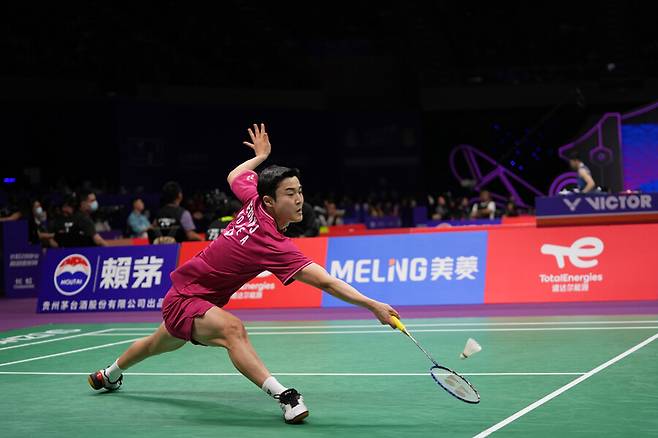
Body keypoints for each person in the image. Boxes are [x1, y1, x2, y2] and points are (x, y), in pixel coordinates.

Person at [88, 123, 400, 424]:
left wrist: (261, 157)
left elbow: (235, 174)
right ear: (270, 200)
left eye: (300, 191)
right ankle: (286, 397)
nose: (300, 198)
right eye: (290, 193)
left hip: (192, 294)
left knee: (155, 344)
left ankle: (108, 375)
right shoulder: (271, 240)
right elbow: (327, 282)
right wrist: (373, 305)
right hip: (187, 296)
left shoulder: (255, 201)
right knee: (232, 330)